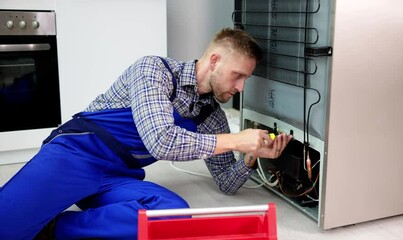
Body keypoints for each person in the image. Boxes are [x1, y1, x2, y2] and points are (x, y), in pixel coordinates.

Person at [0, 28, 293, 239]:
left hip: (118, 177)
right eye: (238, 75)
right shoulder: (154, 70)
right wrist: (234, 140)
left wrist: (250, 156)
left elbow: (227, 183)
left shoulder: (211, 116)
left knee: (171, 215)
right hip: (75, 155)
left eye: (246, 79)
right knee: (5, 227)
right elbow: (161, 140)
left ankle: (56, 228)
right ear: (214, 61)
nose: (241, 87)